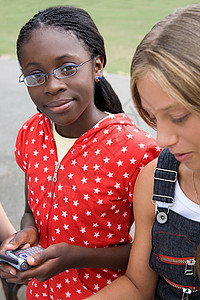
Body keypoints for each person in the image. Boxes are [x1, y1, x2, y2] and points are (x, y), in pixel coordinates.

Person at [0, 6, 160, 299]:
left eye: (68, 68)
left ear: (97, 65)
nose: (53, 85)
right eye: (35, 75)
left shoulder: (136, 151)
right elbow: (29, 212)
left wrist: (75, 256)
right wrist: (27, 234)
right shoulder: (31, 134)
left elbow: (150, 255)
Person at [85, 3, 200, 300]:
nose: (161, 139)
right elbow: (138, 285)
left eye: (178, 117)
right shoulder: (154, 180)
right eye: (151, 116)